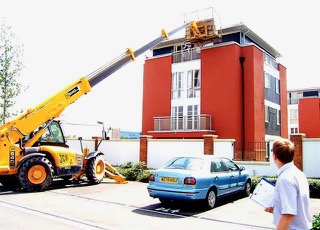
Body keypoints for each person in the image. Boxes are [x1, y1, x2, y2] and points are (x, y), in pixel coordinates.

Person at [264, 138, 312, 229]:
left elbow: (288, 214)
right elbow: (297, 205)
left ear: (274, 156)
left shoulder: (285, 179)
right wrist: (276, 209)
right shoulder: (299, 174)